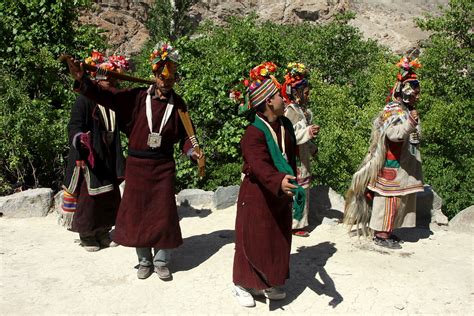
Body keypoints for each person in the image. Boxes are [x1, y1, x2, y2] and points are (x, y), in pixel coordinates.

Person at [64, 42, 204, 280]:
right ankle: (144, 261)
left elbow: (186, 137)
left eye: (170, 78)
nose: (166, 82)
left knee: (163, 215)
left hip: (163, 166)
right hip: (138, 166)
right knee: (139, 214)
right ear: (155, 75)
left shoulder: (179, 105)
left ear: (176, 79)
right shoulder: (136, 98)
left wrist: (192, 152)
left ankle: (161, 260)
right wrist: (83, 80)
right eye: (162, 77)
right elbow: (105, 95)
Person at [231, 62, 305, 307]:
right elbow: (260, 165)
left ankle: (270, 282)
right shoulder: (253, 133)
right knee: (253, 239)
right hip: (258, 195)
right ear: (268, 103)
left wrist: (291, 181)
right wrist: (279, 181)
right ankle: (241, 284)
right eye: (279, 96)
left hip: (280, 193)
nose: (284, 100)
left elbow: (290, 156)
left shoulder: (285, 125)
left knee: (277, 239)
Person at [343, 56, 423, 249]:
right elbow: (393, 134)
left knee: (397, 200)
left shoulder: (404, 110)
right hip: (391, 164)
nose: (417, 97)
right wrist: (410, 124)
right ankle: (381, 234)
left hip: (400, 165)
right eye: (414, 93)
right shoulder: (392, 110)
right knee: (388, 200)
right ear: (404, 93)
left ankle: (387, 231)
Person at [59, 51, 127, 252]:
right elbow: (73, 126)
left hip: (108, 157)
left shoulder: (113, 102)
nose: (112, 83)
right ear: (98, 80)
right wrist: (80, 139)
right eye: (108, 79)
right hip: (89, 157)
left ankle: (103, 231)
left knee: (109, 196)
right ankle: (87, 234)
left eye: (114, 79)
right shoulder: (84, 100)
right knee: (90, 199)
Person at [282, 62, 319, 237]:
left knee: (302, 188)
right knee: (297, 190)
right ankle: (294, 225)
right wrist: (308, 132)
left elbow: (304, 136)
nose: (308, 96)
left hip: (303, 157)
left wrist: (312, 148)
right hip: (295, 159)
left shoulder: (301, 111)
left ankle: (298, 223)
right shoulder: (290, 112)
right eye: (306, 93)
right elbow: (288, 136)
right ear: (296, 93)